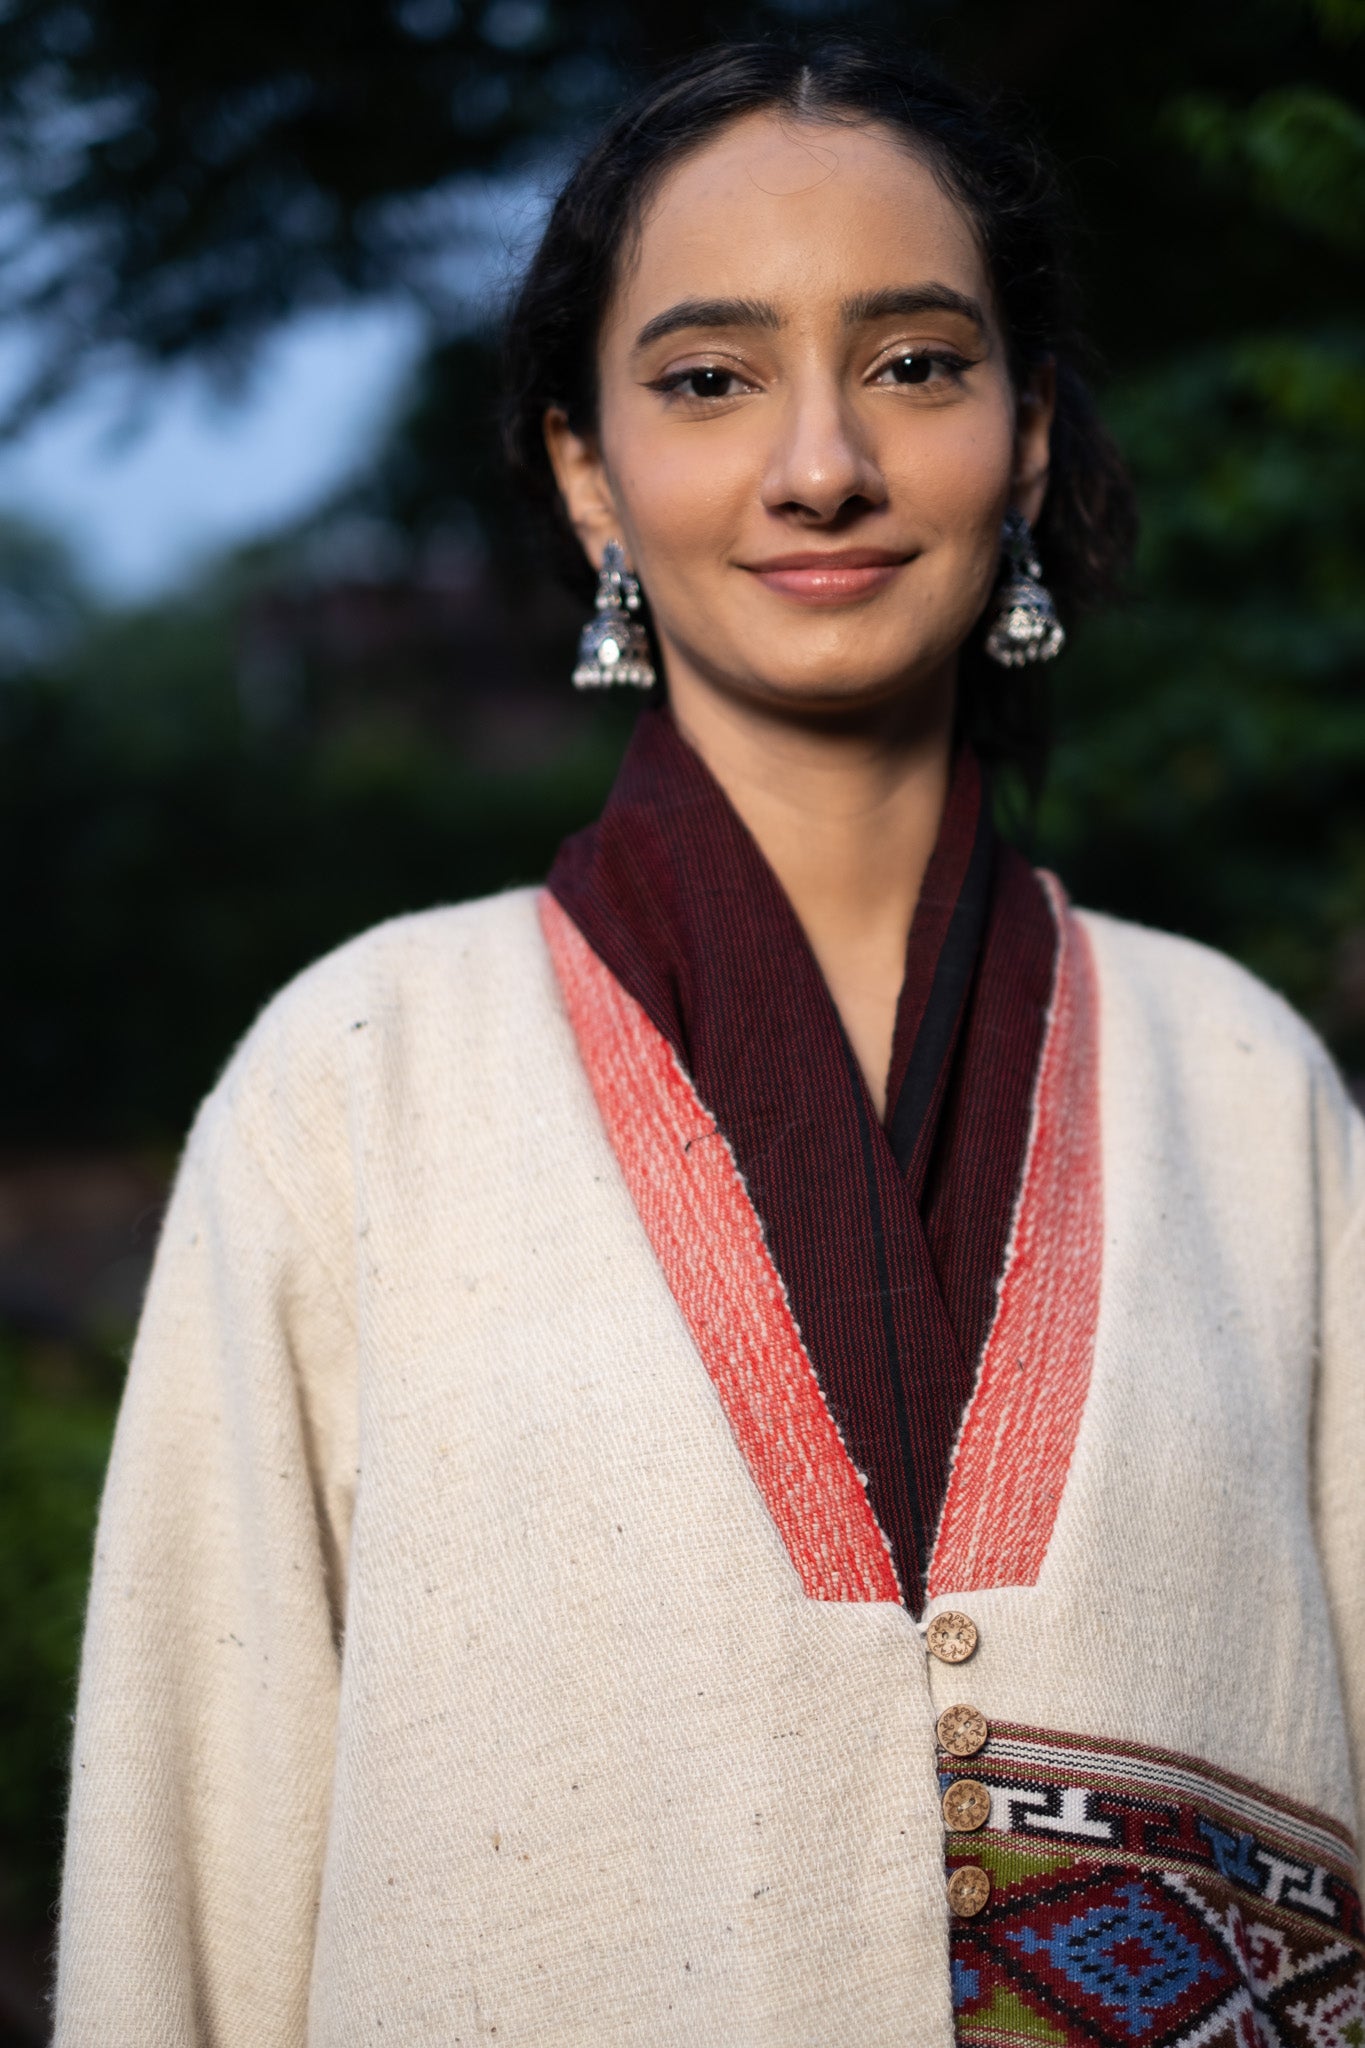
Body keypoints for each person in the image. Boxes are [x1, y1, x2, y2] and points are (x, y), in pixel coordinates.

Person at [55, 37, 1364, 2048]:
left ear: (1018, 441)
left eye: (917, 362)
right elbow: (188, 1882)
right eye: (705, 377)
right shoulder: (354, 1082)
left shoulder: (1246, 1087)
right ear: (587, 469)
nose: (818, 461)